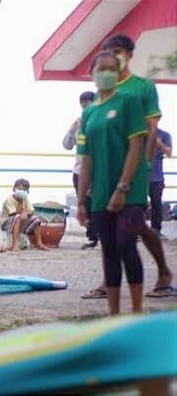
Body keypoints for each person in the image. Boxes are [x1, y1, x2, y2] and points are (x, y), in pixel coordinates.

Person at [83, 33, 173, 299]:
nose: (115, 55)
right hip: (105, 172)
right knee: (110, 226)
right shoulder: (104, 91)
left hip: (136, 169)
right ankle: (110, 280)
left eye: (119, 51)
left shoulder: (143, 87)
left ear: (129, 54)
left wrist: (144, 166)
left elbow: (151, 128)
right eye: (110, 51)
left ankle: (163, 271)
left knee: (134, 225)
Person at [77, 50, 148, 315]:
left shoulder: (129, 102)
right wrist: (82, 199)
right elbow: (86, 159)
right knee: (108, 249)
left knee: (125, 244)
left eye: (111, 68)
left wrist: (123, 187)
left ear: (118, 73)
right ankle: (114, 314)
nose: (106, 72)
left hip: (129, 190)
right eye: (101, 68)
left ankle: (138, 312)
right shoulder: (89, 113)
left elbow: (136, 146)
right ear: (93, 73)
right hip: (100, 193)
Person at [62, 91, 99, 249]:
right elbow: (66, 145)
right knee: (83, 203)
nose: (85, 107)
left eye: (88, 104)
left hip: (97, 171)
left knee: (97, 204)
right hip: (79, 171)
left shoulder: (100, 122)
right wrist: (71, 130)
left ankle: (97, 235)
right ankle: (92, 236)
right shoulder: (79, 123)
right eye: (83, 105)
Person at [0, 178, 49, 252]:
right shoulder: (9, 199)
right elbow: (13, 213)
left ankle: (39, 243)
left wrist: (26, 214)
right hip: (6, 223)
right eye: (19, 189)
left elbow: (32, 211)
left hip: (21, 220)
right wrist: (23, 212)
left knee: (36, 219)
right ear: (14, 189)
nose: (21, 191)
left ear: (27, 191)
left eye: (24, 190)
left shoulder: (25, 198)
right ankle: (15, 244)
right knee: (18, 217)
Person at [148, 128, 172, 238]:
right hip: (140, 177)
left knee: (156, 204)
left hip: (156, 176)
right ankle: (137, 231)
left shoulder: (164, 135)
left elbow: (169, 153)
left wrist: (158, 143)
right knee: (137, 205)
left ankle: (156, 230)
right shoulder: (139, 132)